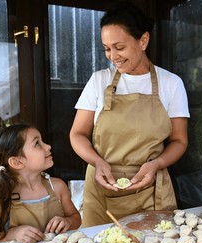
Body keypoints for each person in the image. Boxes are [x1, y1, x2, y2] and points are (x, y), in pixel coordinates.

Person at [69, 1, 190, 227]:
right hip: (101, 187)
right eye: (107, 48)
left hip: (151, 188)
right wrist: (96, 161)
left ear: (143, 40)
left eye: (119, 47)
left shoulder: (171, 84)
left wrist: (156, 165)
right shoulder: (99, 81)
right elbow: (77, 134)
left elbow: (179, 140)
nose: (112, 56)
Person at [0, 124, 81, 243]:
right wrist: (12, 235)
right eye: (37, 143)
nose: (48, 146)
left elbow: (76, 218)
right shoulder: (4, 196)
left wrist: (68, 222)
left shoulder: (58, 187)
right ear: (17, 162)